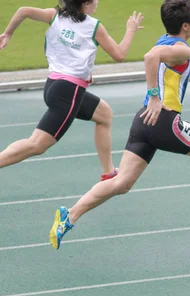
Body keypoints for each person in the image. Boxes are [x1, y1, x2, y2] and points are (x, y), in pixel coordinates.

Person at [49, 0, 190, 249]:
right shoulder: (182, 50)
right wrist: (154, 96)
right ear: (185, 26)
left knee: (121, 183)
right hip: (163, 120)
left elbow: (183, 76)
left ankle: (70, 215)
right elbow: (149, 57)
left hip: (143, 122)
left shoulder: (167, 42)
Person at [0, 0, 144, 180]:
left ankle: (108, 172)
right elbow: (119, 54)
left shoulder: (54, 16)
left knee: (104, 114)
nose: (97, 2)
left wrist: (7, 33)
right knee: (37, 144)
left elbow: (23, 11)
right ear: (85, 4)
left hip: (53, 86)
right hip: (70, 92)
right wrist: (130, 30)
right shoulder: (94, 27)